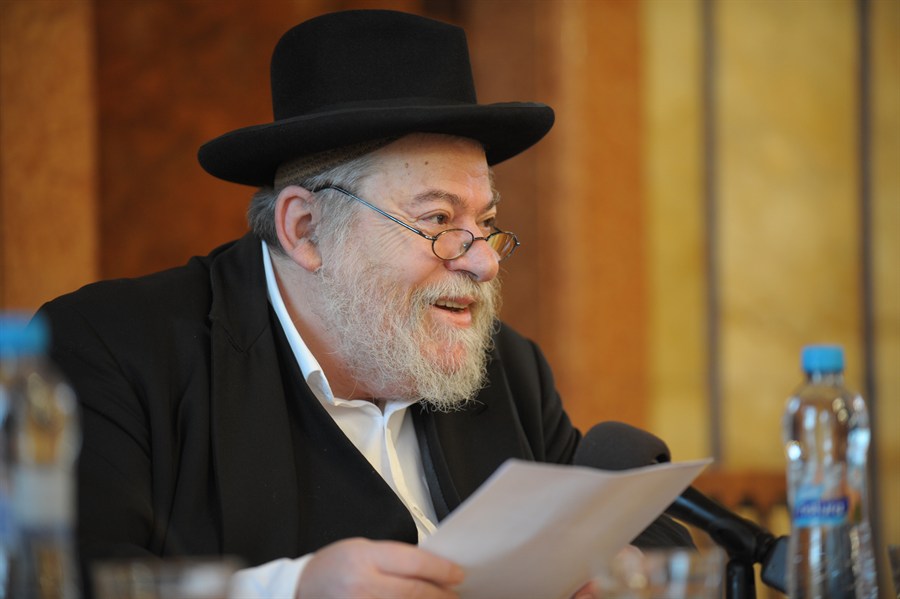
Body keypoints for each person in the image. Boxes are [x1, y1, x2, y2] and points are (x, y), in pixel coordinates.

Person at [37, 9, 692, 598]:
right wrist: (295, 591)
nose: (484, 261)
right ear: (305, 230)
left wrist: (621, 573)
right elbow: (61, 581)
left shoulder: (508, 369)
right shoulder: (110, 351)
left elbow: (636, 534)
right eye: (438, 220)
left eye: (486, 223)